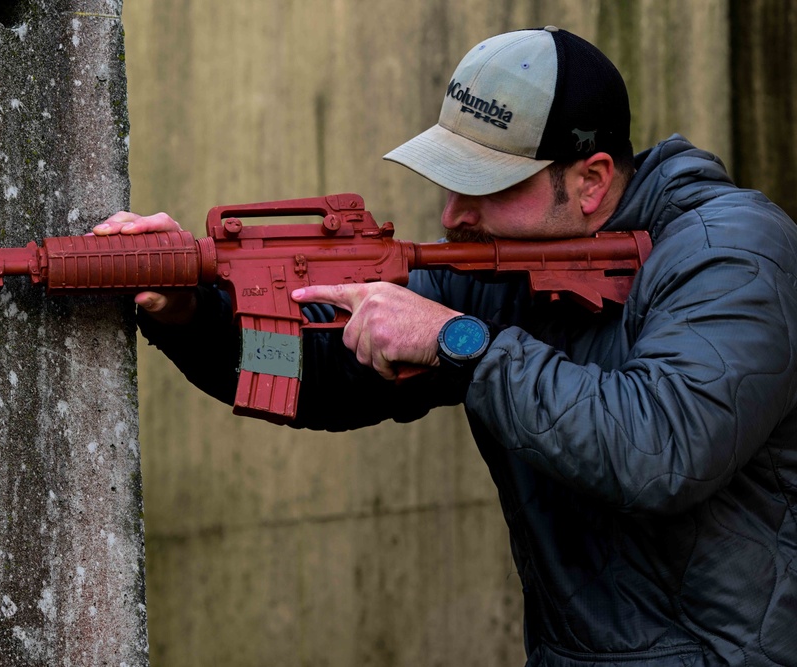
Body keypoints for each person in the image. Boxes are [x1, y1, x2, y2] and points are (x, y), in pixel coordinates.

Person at [96, 27, 797, 667]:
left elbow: (660, 447)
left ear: (589, 179)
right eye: (450, 181)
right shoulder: (502, 267)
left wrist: (455, 341)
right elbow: (323, 372)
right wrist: (193, 312)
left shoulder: (732, 254)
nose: (453, 215)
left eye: (486, 186)